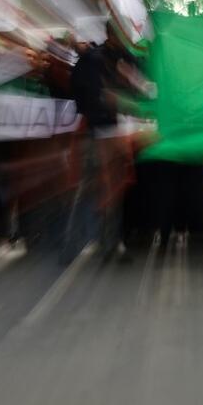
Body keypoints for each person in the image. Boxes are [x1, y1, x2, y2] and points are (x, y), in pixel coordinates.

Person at [64, 21, 134, 264]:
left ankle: (105, 245)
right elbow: (79, 89)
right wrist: (98, 110)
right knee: (96, 190)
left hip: (104, 131)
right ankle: (86, 245)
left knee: (106, 192)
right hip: (99, 133)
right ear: (113, 35)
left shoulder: (112, 59)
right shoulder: (97, 60)